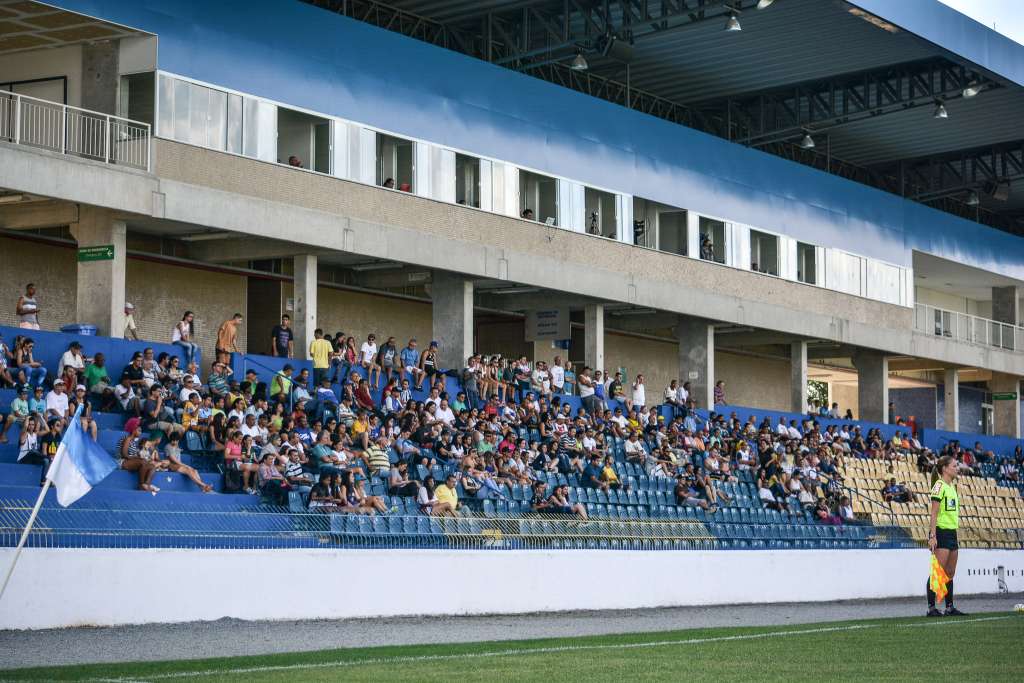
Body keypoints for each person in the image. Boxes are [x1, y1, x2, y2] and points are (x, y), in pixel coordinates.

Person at [927, 455, 965, 617]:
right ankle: (931, 607)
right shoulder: (939, 486)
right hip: (941, 532)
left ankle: (949, 607)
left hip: (952, 532)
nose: (957, 468)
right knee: (938, 571)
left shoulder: (952, 487)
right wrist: (932, 536)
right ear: (945, 469)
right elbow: (934, 513)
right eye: (955, 466)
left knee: (950, 572)